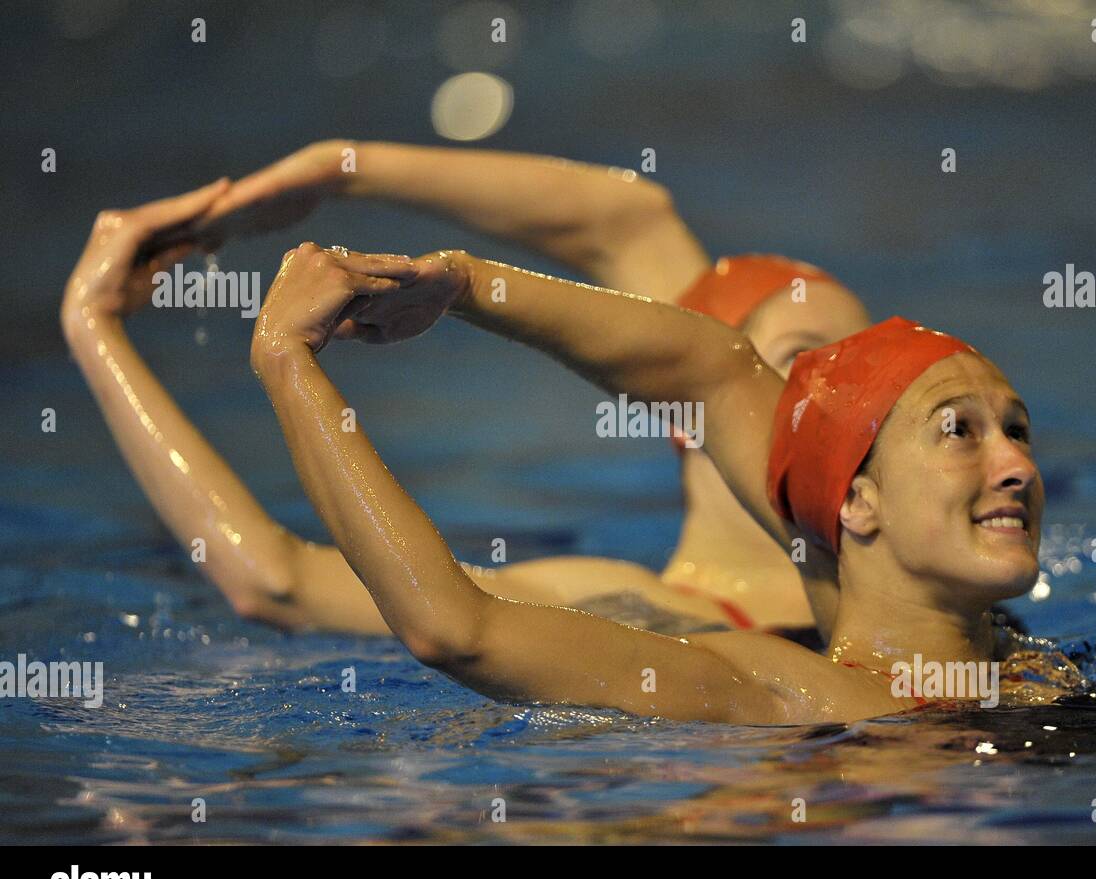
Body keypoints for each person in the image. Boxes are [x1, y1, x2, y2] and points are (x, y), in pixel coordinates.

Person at [236, 234, 1071, 725]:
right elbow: (459, 629)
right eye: (960, 431)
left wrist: (466, 283)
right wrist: (288, 365)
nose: (1018, 467)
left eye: (1018, 429)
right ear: (858, 500)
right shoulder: (784, 689)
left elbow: (712, 371)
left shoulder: (1020, 661)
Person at [97, 143, 873, 637]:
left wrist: (346, 168)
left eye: (865, 364)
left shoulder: (921, 555)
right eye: (804, 360)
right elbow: (279, 579)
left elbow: (629, 221)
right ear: (693, 405)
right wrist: (94, 328)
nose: (848, 396)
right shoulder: (632, 610)